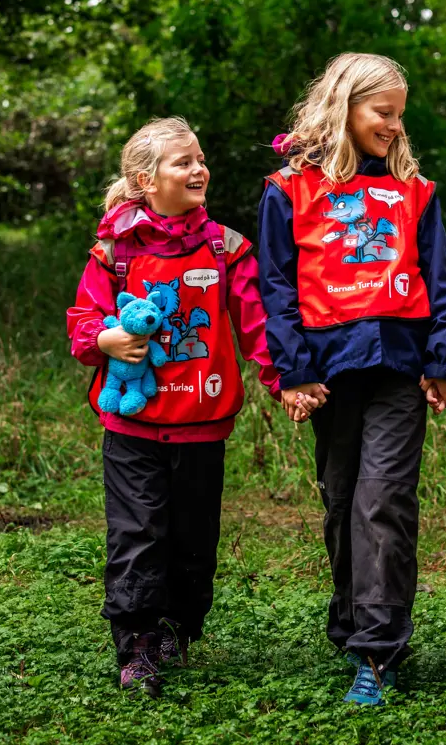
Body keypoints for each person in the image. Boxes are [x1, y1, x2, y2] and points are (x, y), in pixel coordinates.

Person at [257, 53, 446, 706]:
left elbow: (440, 279)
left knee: (383, 501)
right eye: (385, 113)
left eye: (400, 115)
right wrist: (293, 371)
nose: (396, 126)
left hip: (398, 371)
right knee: (343, 498)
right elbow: (276, 284)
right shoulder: (288, 189)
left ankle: (378, 650)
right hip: (329, 374)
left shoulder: (415, 193)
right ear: (345, 106)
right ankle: (353, 618)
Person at [66, 116, 279, 697]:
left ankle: (177, 631)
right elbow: (85, 321)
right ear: (144, 179)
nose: (198, 169)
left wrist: (284, 379)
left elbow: (256, 323)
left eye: (200, 159)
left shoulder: (226, 247)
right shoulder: (113, 252)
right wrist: (104, 340)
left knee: (192, 540)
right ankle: (135, 642)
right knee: (137, 534)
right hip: (133, 425)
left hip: (202, 427)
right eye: (182, 161)